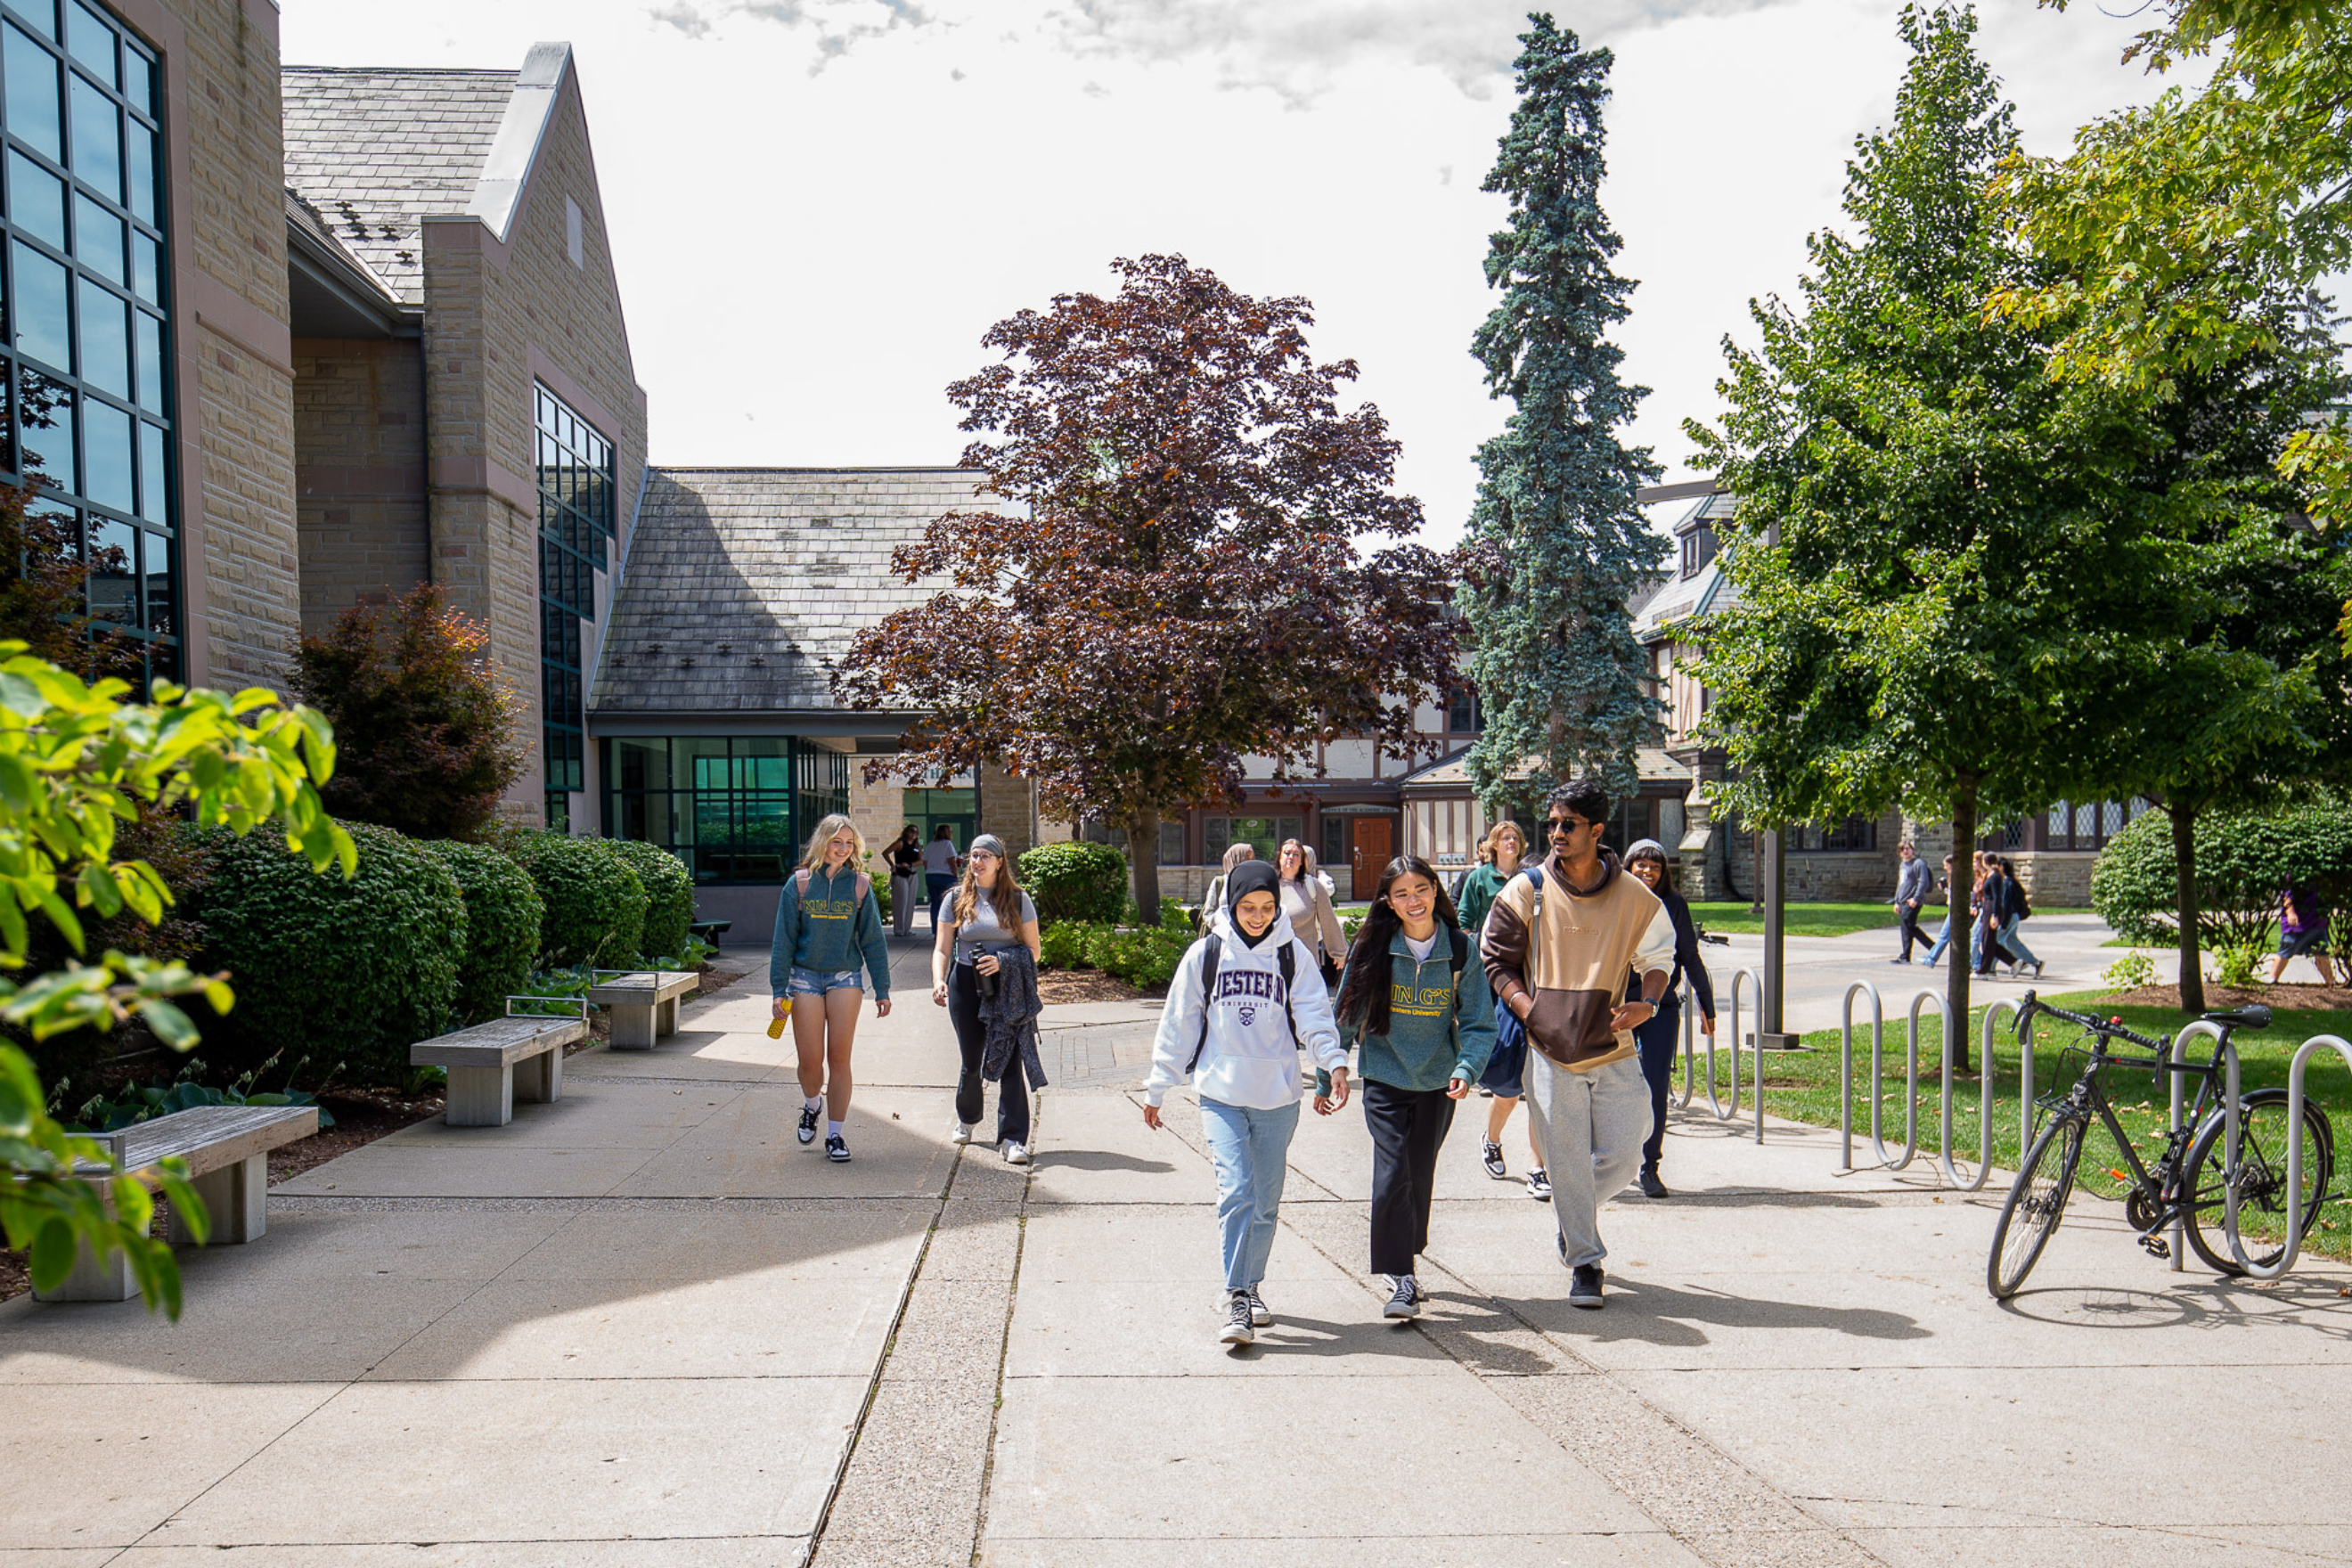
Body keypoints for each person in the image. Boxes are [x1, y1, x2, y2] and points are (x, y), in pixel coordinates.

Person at [1480, 780, 1676, 1311]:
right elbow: (1494, 958)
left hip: (1613, 1044)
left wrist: (1649, 1004)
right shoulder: (1528, 888)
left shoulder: (1636, 897)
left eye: (1568, 824)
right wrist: (1531, 1009)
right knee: (1564, 1159)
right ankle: (1586, 1264)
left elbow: (1660, 958)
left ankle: (1572, 1218)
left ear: (1596, 830)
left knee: (1629, 1148)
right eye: (1552, 823)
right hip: (1548, 1049)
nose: (1556, 833)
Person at [1142, 860, 1346, 1347]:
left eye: (1267, 907)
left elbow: (1315, 1015)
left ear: (1278, 907)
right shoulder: (1205, 955)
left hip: (1278, 1096)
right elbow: (1179, 1024)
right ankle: (1236, 1294)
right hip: (1221, 1093)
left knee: (1266, 1201)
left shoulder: (1292, 955)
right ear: (1231, 904)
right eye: (1247, 907)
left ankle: (1252, 1285)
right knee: (1237, 1190)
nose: (1257, 916)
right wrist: (1157, 1086)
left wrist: (1333, 1063)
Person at [1327, 855, 1496, 1319]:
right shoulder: (1373, 948)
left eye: (1420, 889)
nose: (1413, 900)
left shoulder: (1461, 949)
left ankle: (1409, 1249)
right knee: (1393, 1171)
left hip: (1438, 1083)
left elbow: (1481, 1024)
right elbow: (1346, 1014)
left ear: (1435, 891)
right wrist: (1330, 1072)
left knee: (1418, 1174)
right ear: (1388, 901)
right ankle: (1401, 1276)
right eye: (1401, 893)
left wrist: (1467, 1068)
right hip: (1384, 1076)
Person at [770, 813, 893, 1163]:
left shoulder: (859, 886)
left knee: (839, 1058)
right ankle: (812, 1104)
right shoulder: (800, 885)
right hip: (805, 977)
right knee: (811, 1061)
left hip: (845, 978)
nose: (842, 849)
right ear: (823, 842)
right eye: (836, 842)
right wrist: (779, 988)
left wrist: (882, 987)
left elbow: (873, 940)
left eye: (849, 843)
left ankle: (835, 1135)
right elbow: (784, 940)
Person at [931, 833, 1043, 1164]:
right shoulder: (955, 898)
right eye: (973, 855)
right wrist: (939, 980)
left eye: (984, 856)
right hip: (966, 982)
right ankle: (967, 1119)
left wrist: (1003, 961)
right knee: (972, 1061)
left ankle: (1012, 1139)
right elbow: (942, 948)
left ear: (999, 861)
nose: (976, 862)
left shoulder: (1019, 900)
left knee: (1010, 1061)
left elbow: (1034, 950)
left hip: (1008, 985)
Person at [1621, 839, 1715, 1199]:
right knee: (1612, 1084)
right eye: (1640, 865)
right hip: (1618, 1005)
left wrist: (1708, 1007)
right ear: (1628, 867)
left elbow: (1689, 956)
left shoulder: (1673, 905)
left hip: (1660, 1005)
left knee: (1655, 1086)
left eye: (1654, 867)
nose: (1647, 872)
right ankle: (1611, 1159)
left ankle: (1649, 1166)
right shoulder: (1615, 900)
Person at [1457, 822, 1548, 1196]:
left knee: (1542, 1091)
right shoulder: (1486, 885)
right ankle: (1491, 1138)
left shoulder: (1554, 900)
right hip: (1507, 991)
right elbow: (1467, 923)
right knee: (1509, 1090)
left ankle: (1538, 1167)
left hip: (1547, 1001)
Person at [1277, 838, 1348, 984]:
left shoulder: (1312, 886)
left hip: (1305, 964)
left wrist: (1340, 954)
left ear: (1302, 861)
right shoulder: (1268, 886)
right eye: (1287, 853)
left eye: (1296, 855)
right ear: (1279, 858)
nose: (1291, 857)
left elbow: (1329, 921)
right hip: (1273, 963)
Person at [2273, 883, 2340, 984]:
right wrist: (2290, 912)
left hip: (2317, 920)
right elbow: (2286, 893)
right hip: (2298, 923)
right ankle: (2272, 980)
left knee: (2321, 952)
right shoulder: (2296, 873)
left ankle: (2330, 982)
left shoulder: (2322, 874)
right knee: (2286, 950)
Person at [1990, 854, 2042, 978]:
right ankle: (2035, 962)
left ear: (2001, 867)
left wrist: (2004, 923)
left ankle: (1989, 968)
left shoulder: (2008, 883)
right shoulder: (2012, 881)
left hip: (2009, 917)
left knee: (1994, 943)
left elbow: (2007, 905)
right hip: (2014, 916)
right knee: (2011, 942)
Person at [1889, 841, 1932, 964]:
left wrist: (1916, 898)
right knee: (1905, 928)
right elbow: (1901, 883)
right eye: (1902, 850)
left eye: (1907, 849)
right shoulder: (1903, 865)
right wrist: (1896, 901)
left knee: (1909, 926)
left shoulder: (1918, 864)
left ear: (1912, 850)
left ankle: (1932, 947)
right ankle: (1905, 956)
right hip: (1902, 901)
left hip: (1912, 901)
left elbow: (1923, 882)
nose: (1905, 852)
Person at [1197, 841, 1258, 927]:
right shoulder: (1220, 882)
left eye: (1252, 859)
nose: (1250, 862)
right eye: (1247, 857)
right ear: (1235, 858)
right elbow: (1208, 913)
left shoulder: (1254, 882)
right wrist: (1220, 923)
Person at [886, 825, 926, 940]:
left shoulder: (916, 846)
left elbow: (921, 860)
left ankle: (907, 929)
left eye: (916, 832)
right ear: (906, 832)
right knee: (901, 901)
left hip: (912, 873)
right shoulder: (900, 843)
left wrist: (911, 865)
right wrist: (892, 865)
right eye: (911, 831)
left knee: (910, 901)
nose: (914, 834)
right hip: (900, 873)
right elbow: (885, 853)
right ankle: (899, 929)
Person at [921, 825, 960, 928]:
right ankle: (948, 929)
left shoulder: (931, 845)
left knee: (935, 904)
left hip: (931, 875)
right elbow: (951, 861)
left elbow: (924, 861)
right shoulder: (948, 844)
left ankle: (935, 930)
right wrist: (956, 875)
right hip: (946, 876)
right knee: (948, 905)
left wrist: (929, 871)